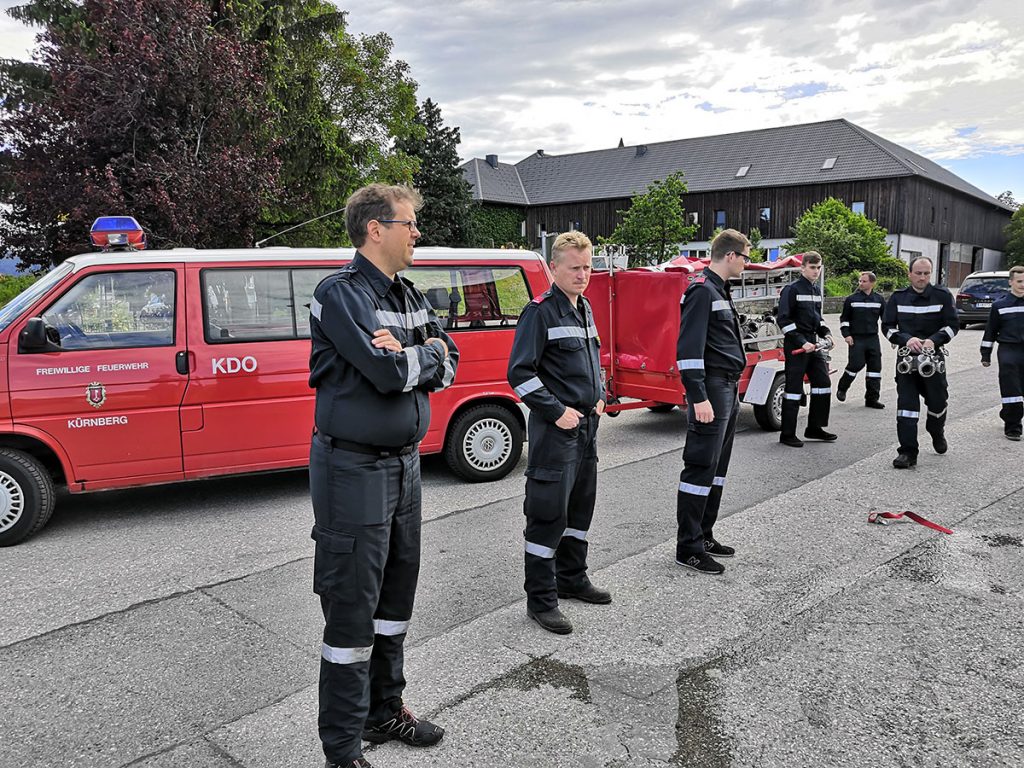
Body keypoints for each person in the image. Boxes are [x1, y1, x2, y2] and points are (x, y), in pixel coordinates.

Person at [308, 183, 458, 768]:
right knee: (352, 608)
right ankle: (342, 751)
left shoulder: (410, 295)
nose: (417, 231)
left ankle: (384, 711)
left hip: (405, 466)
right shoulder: (338, 295)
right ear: (376, 229)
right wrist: (420, 358)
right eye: (409, 222)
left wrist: (420, 354)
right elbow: (381, 369)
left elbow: (449, 357)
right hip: (353, 470)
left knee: (396, 596)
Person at [507, 230, 610, 635]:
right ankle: (541, 600)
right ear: (554, 268)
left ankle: (572, 578)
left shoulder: (583, 307)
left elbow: (593, 361)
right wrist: (556, 411)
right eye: (575, 268)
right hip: (557, 433)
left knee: (580, 509)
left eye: (588, 267)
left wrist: (601, 397)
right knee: (548, 515)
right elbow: (520, 374)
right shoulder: (541, 311)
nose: (583, 274)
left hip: (589, 427)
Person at [674, 229, 750, 575]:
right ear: (731, 256)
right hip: (713, 389)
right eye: (746, 256)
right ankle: (687, 547)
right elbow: (688, 352)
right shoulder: (702, 292)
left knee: (717, 470)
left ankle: (704, 535)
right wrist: (699, 396)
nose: (747, 263)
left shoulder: (720, 290)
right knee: (700, 468)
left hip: (728, 389)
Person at [881, 256, 957, 468]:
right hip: (906, 360)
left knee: (937, 402)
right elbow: (887, 327)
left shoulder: (942, 296)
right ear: (909, 274)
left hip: (933, 359)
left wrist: (934, 340)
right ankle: (907, 453)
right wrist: (907, 339)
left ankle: (936, 431)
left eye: (926, 273)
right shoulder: (898, 298)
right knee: (906, 406)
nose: (922, 277)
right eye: (918, 273)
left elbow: (953, 326)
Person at [777, 251, 836, 447]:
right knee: (793, 390)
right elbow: (783, 320)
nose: (816, 271)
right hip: (796, 346)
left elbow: (818, 319)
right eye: (812, 267)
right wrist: (802, 342)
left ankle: (815, 428)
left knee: (823, 383)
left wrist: (827, 333)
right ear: (802, 268)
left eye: (819, 267)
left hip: (813, 344)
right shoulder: (791, 289)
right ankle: (787, 434)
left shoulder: (815, 290)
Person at [980, 265, 1024, 440]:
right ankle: (1013, 426)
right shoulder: (1000, 305)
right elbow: (990, 331)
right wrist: (986, 354)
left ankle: (1008, 413)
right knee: (1011, 388)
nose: (1023, 285)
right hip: (1008, 350)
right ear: (1011, 282)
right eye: (1019, 281)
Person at [836, 271, 886, 408]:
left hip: (872, 338)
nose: (860, 283)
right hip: (856, 339)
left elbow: (886, 320)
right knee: (855, 365)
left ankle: (872, 399)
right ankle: (842, 388)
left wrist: (893, 336)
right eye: (860, 281)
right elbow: (844, 319)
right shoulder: (851, 299)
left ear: (872, 283)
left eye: (864, 281)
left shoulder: (879, 300)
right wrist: (846, 335)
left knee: (875, 369)